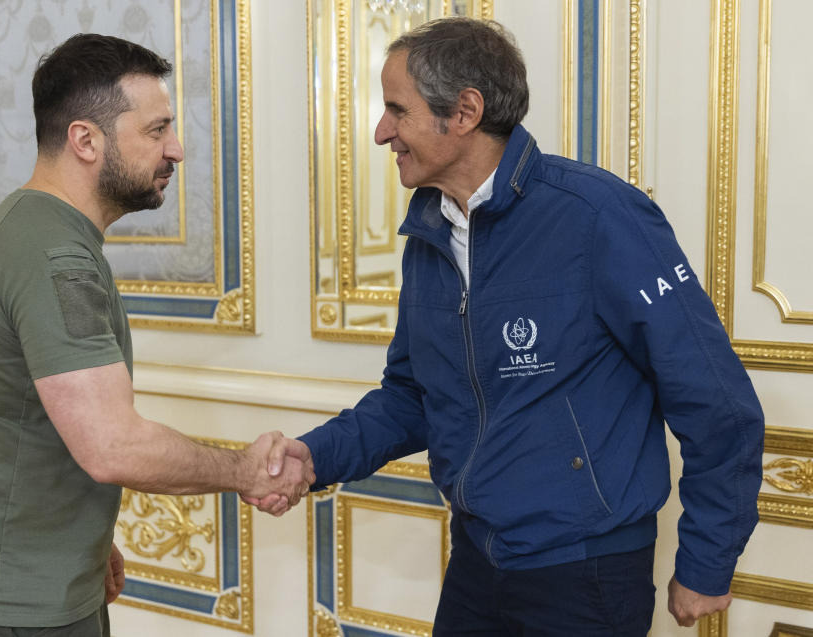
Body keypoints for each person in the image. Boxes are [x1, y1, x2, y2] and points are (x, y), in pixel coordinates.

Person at [266, 17, 764, 635]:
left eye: (397, 109)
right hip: (477, 562)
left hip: (586, 575)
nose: (381, 132)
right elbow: (413, 398)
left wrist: (708, 562)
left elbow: (717, 402)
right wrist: (312, 457)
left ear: (466, 111)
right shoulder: (430, 233)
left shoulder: (599, 216)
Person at [0, 33, 313, 637]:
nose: (176, 149)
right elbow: (112, 446)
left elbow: (33, 422)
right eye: (156, 130)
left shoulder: (34, 228)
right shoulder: (53, 256)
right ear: (85, 139)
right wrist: (247, 472)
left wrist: (83, 541)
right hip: (12, 604)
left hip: (26, 581)